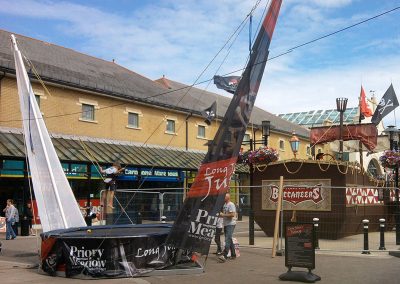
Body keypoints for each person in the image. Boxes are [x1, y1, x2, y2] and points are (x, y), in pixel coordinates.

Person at [218, 193, 237, 262]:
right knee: (229, 239)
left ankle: (225, 255)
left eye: (224, 197)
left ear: (228, 198)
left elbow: (232, 214)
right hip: (226, 224)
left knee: (227, 239)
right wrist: (220, 215)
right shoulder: (225, 205)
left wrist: (223, 214)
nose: (223, 198)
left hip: (231, 224)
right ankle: (233, 255)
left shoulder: (231, 204)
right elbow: (224, 215)